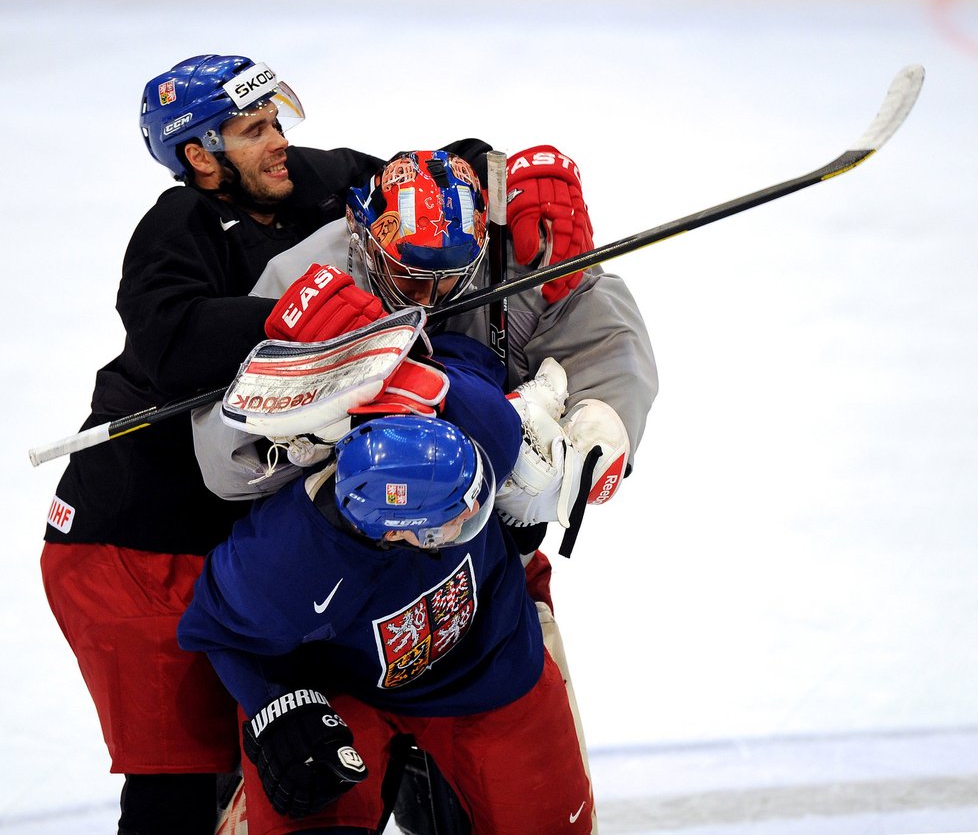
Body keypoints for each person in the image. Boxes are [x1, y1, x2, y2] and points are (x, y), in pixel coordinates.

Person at [38, 54, 589, 834]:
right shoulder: (178, 227)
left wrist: (512, 174)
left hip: (263, 529)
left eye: (277, 121)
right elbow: (165, 336)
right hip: (140, 548)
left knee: (365, 739)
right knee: (187, 788)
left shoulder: (313, 179)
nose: (279, 144)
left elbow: (420, 178)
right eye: (253, 130)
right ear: (199, 156)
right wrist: (280, 314)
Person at [191, 148, 656, 831]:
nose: (437, 300)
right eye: (413, 280)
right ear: (364, 239)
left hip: (488, 649)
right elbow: (221, 470)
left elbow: (577, 309)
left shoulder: (487, 413)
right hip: (334, 667)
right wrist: (274, 706)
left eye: (453, 280)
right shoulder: (293, 555)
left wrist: (603, 408)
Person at [178, 333, 597, 834]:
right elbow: (213, 628)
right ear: (393, 529)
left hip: (490, 659)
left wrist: (540, 409)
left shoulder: (482, 420)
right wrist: (274, 705)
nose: (471, 519)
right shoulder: (287, 565)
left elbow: (467, 356)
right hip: (346, 689)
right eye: (446, 524)